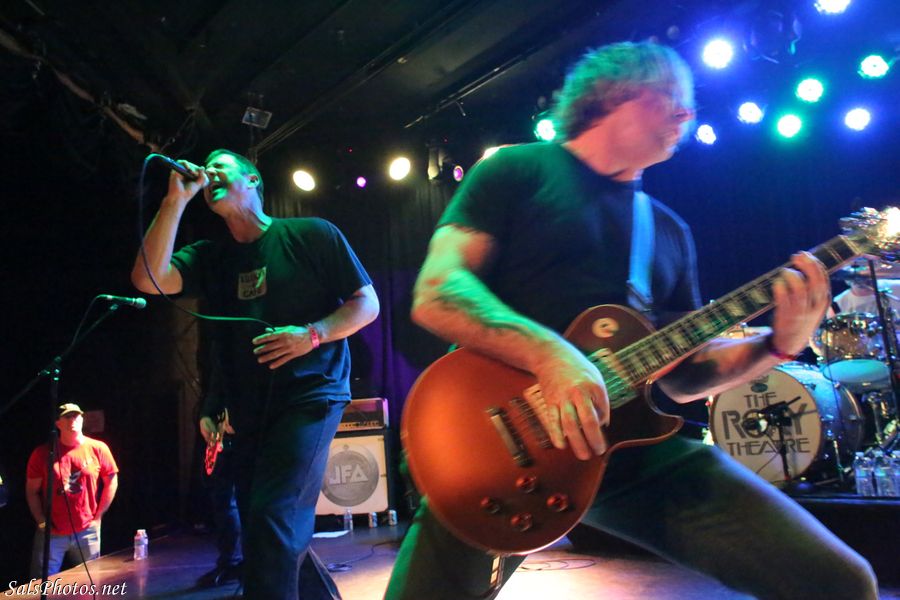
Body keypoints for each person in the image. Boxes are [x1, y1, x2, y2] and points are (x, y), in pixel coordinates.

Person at [385, 42, 878, 599]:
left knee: (841, 583)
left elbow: (686, 376)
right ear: (614, 93)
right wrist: (552, 357)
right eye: (671, 96)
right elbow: (438, 291)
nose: (687, 113)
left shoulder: (666, 231)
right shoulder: (517, 169)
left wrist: (777, 346)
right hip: (496, 449)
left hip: (631, 458)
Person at [131, 149, 379, 599]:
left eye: (220, 166)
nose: (209, 173)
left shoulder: (311, 234)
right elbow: (148, 278)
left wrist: (313, 334)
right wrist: (175, 201)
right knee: (263, 523)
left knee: (272, 516)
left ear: (252, 179)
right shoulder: (212, 257)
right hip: (248, 410)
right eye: (206, 169)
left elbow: (367, 303)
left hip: (310, 395)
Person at [25, 403, 119, 577]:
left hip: (86, 530)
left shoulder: (98, 448)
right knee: (41, 583)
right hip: (52, 532)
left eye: (76, 416)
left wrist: (98, 516)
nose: (72, 420)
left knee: (91, 581)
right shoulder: (43, 453)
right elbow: (31, 491)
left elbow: (111, 480)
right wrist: (42, 523)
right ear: (58, 423)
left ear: (82, 419)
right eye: (67, 417)